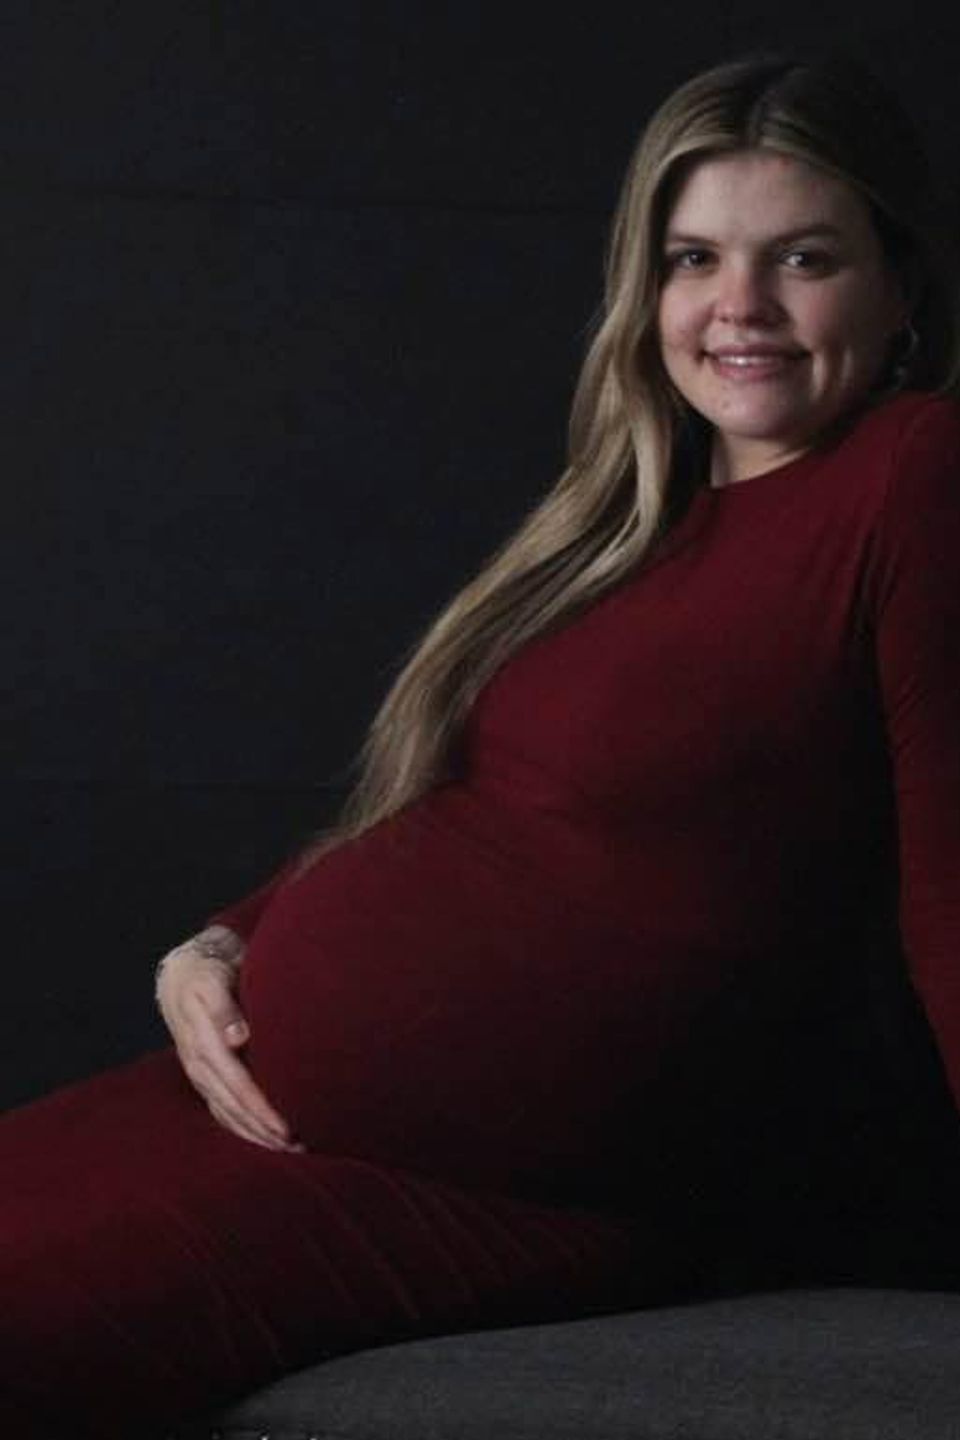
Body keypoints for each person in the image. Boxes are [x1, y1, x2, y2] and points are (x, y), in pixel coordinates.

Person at [4, 46, 960, 1439]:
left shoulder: (909, 477)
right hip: (241, 1107)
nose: (738, 307)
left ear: (901, 285)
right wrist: (217, 942)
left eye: (804, 259)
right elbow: (468, 807)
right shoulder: (627, 521)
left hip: (490, 1184)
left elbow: (952, 895)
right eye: (695, 260)